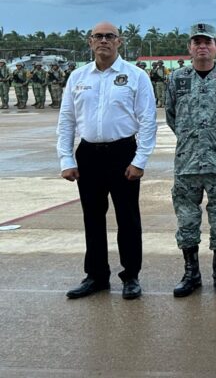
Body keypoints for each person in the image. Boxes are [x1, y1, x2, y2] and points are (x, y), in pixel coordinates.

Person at [56, 22, 157, 300]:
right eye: (98, 36)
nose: (104, 41)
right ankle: (97, 275)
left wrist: (140, 160)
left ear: (119, 42)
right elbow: (67, 120)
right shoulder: (77, 77)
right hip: (88, 154)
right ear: (90, 42)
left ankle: (131, 276)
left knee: (127, 218)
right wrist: (66, 158)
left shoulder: (135, 76)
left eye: (109, 36)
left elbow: (148, 120)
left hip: (122, 153)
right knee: (92, 218)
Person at [165, 24, 216, 297]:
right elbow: (171, 115)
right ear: (189, 48)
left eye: (207, 42)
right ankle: (191, 273)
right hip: (186, 163)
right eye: (196, 42)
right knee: (187, 220)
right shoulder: (176, 79)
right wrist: (192, 140)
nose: (202, 46)